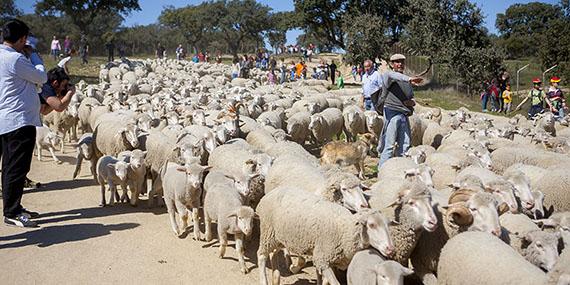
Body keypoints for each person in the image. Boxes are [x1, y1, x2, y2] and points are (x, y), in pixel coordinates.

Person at [0, 19, 48, 227]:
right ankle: (11, 211)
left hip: (8, 118)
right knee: (16, 167)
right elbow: (42, 77)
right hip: (18, 120)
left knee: (11, 165)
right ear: (22, 39)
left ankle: (15, 206)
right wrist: (34, 54)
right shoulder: (15, 60)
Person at [374, 54, 423, 168]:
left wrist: (411, 102)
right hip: (392, 113)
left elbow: (410, 97)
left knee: (405, 144)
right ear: (392, 64)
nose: (400, 64)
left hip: (403, 114)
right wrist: (410, 79)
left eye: (402, 62)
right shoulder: (388, 75)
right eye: (397, 62)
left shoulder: (406, 81)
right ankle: (382, 169)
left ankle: (402, 168)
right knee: (389, 144)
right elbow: (394, 75)